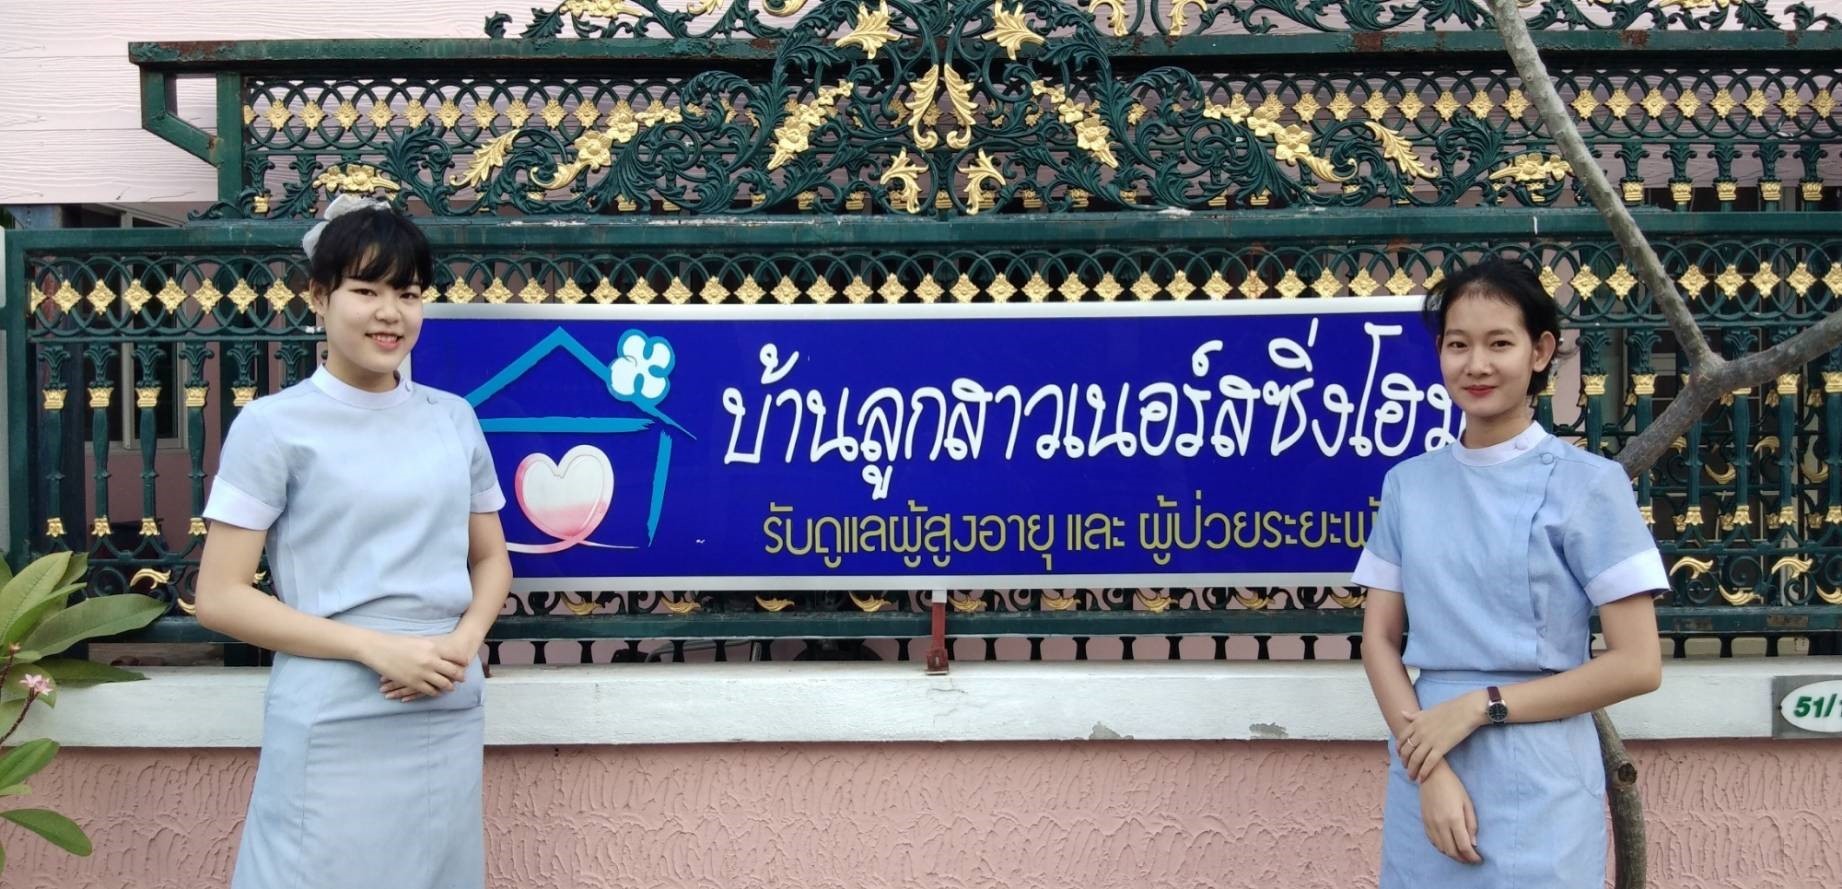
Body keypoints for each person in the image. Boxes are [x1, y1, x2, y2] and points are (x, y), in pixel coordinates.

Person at [195, 194, 511, 889]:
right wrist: (373, 646)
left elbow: (492, 559)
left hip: (443, 700)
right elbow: (218, 597)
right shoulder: (273, 426)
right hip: (334, 705)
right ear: (319, 296)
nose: (390, 312)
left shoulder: (453, 419)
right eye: (366, 290)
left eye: (408, 293)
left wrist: (463, 643)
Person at [1353, 257, 1665, 887]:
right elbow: (1379, 640)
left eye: (1500, 343)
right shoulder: (1409, 485)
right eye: (1458, 345)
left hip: (1542, 772)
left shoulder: (1589, 485)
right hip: (1426, 762)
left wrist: (1481, 706)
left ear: (1540, 351)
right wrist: (1430, 772)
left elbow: (1638, 663)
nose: (1477, 365)